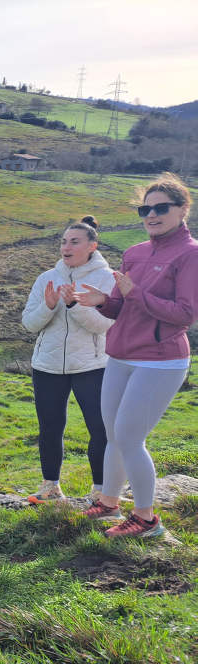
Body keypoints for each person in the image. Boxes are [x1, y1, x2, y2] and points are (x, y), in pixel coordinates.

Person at [75, 173, 198, 538]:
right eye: (146, 208)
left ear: (183, 210)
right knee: (113, 434)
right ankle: (109, 503)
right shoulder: (135, 252)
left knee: (129, 437)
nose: (152, 215)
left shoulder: (191, 254)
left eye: (162, 208)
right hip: (121, 354)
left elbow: (185, 315)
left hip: (160, 359)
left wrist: (135, 294)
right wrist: (103, 302)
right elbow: (119, 308)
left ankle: (146, 520)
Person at [20, 216, 115, 504]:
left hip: (92, 366)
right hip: (47, 366)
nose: (66, 246)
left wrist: (74, 305)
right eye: (63, 241)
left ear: (92, 246)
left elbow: (104, 325)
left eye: (74, 241)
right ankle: (50, 487)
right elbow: (29, 323)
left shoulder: (106, 278)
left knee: (99, 428)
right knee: (49, 427)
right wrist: (49, 307)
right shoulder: (46, 277)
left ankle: (101, 491)